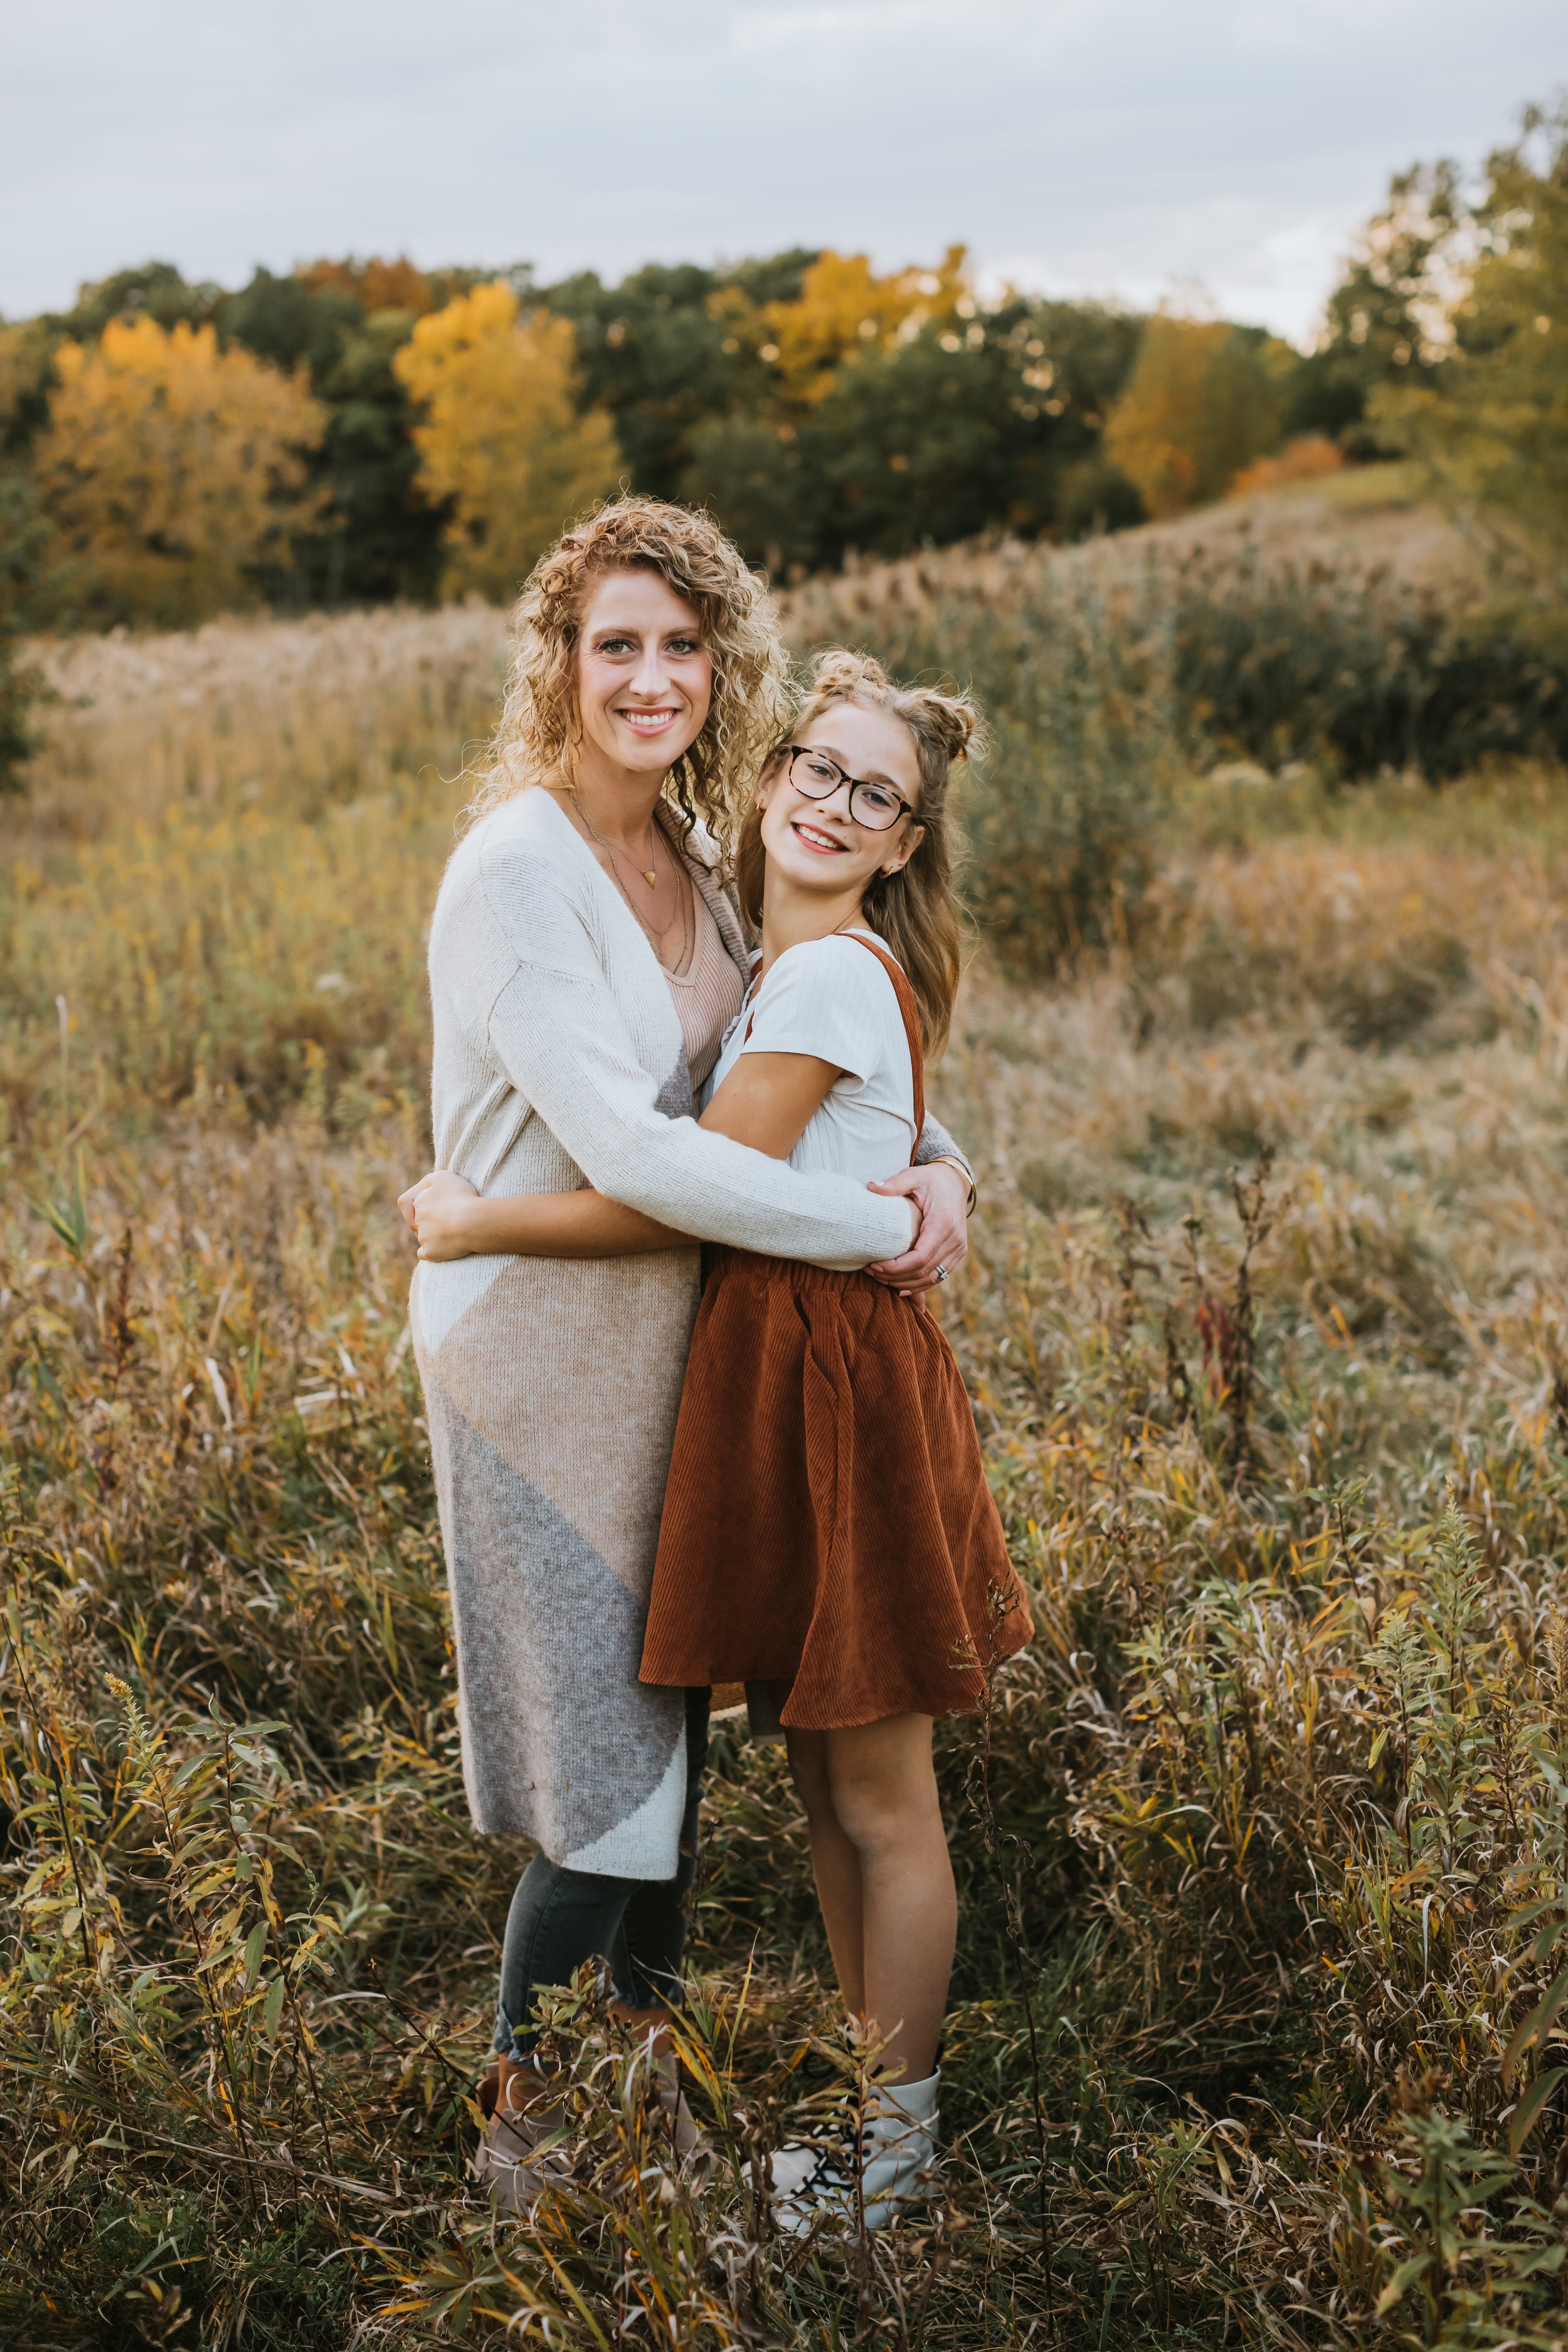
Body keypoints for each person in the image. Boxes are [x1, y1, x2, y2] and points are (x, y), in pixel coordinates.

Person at [399, 500, 975, 2205]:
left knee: (667, 1767)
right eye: (613, 645)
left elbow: (794, 1084)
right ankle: (530, 2136)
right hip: (538, 1358)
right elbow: (651, 1162)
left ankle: (635, 2116)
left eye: (678, 645)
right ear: (558, 666)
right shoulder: (518, 869)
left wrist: (936, 1169)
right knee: (608, 1786)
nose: (648, 678)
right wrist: (887, 1232)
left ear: (722, 668)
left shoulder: (707, 855)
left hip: (682, 1359)